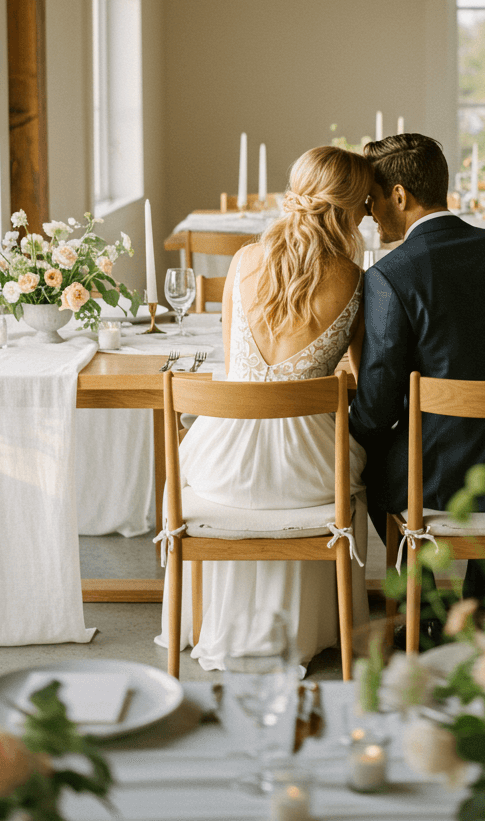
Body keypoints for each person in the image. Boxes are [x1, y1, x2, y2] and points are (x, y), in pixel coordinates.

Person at [158, 145, 373, 671]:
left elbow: (232, 369)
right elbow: (365, 380)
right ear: (348, 210)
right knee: (358, 470)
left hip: (224, 461)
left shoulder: (244, 260)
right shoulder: (352, 277)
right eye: (365, 204)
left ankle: (215, 621)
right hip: (307, 471)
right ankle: (317, 627)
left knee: (195, 473)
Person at [348, 133, 485, 603]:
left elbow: (376, 404)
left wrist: (348, 426)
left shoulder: (390, 275)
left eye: (372, 202)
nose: (370, 215)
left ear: (400, 196)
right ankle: (479, 593)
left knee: (364, 456)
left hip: (438, 484)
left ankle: (425, 601)